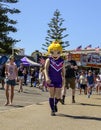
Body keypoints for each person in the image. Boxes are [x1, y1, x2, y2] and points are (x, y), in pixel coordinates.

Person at [44, 40, 65, 116]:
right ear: (50, 52)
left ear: (60, 52)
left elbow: (63, 71)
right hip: (50, 80)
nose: (55, 54)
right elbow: (45, 69)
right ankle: (52, 110)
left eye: (58, 52)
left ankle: (55, 104)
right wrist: (47, 77)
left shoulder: (62, 61)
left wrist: (64, 80)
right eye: (52, 52)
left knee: (58, 96)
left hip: (59, 79)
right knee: (51, 95)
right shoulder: (48, 59)